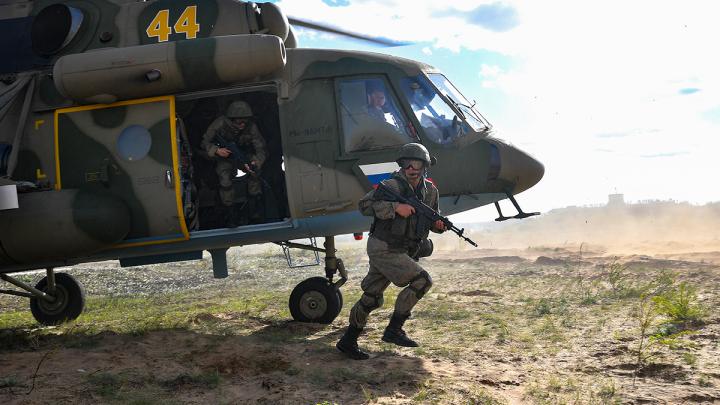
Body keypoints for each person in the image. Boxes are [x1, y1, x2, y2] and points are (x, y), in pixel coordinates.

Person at [336, 143, 446, 360]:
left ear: (425, 166)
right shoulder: (391, 186)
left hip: (400, 248)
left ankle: (348, 340)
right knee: (422, 281)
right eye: (407, 163)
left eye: (417, 163)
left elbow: (432, 219)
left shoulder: (431, 191)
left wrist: (438, 226)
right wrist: (394, 208)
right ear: (402, 166)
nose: (412, 168)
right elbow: (364, 206)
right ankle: (394, 330)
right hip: (383, 248)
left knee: (371, 297)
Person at [200, 100, 267, 227]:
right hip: (225, 158)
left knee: (255, 175)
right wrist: (217, 150)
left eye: (245, 121)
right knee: (225, 180)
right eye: (238, 121)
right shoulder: (219, 123)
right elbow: (204, 143)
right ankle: (230, 214)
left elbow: (261, 148)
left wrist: (256, 162)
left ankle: (254, 211)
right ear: (231, 119)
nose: (242, 124)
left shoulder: (251, 127)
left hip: (245, 156)